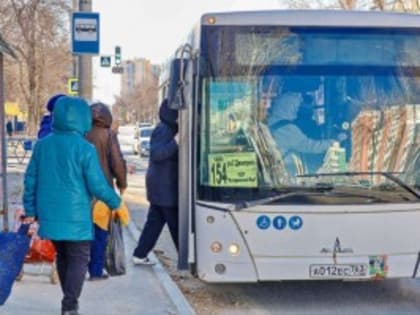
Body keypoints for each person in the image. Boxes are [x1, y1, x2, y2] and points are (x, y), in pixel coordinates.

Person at [23, 96, 127, 315]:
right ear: (82, 119)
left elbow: (30, 179)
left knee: (62, 255)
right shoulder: (84, 148)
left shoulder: (42, 146)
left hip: (49, 214)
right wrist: (116, 202)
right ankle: (70, 304)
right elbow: (97, 185)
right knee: (79, 257)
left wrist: (31, 210)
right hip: (77, 215)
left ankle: (68, 299)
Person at [132, 99, 179, 265]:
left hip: (161, 187)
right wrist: (176, 142)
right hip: (164, 188)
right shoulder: (164, 130)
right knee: (176, 224)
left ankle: (139, 254)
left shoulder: (168, 128)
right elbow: (157, 154)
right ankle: (185, 259)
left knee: (155, 223)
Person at [85, 101, 127, 280]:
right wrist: (122, 183)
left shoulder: (81, 132)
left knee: (83, 231)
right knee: (101, 232)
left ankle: (79, 268)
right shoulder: (109, 134)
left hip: (83, 190)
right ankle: (95, 270)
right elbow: (117, 162)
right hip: (103, 191)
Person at [267, 92, 337, 175]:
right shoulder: (287, 129)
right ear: (289, 108)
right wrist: (333, 142)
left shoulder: (270, 121)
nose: (297, 111)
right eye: (296, 108)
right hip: (285, 169)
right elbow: (310, 146)